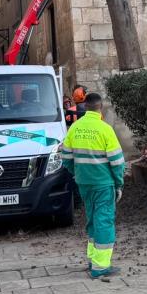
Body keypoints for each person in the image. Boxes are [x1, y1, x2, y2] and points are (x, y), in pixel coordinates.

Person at [60, 92, 125, 278]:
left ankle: (92, 260)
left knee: (92, 219)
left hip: (84, 183)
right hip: (103, 184)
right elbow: (117, 162)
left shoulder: (74, 128)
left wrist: (77, 173)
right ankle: (100, 267)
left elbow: (66, 158)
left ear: (84, 107)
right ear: (100, 108)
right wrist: (118, 184)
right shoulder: (105, 129)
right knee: (104, 221)